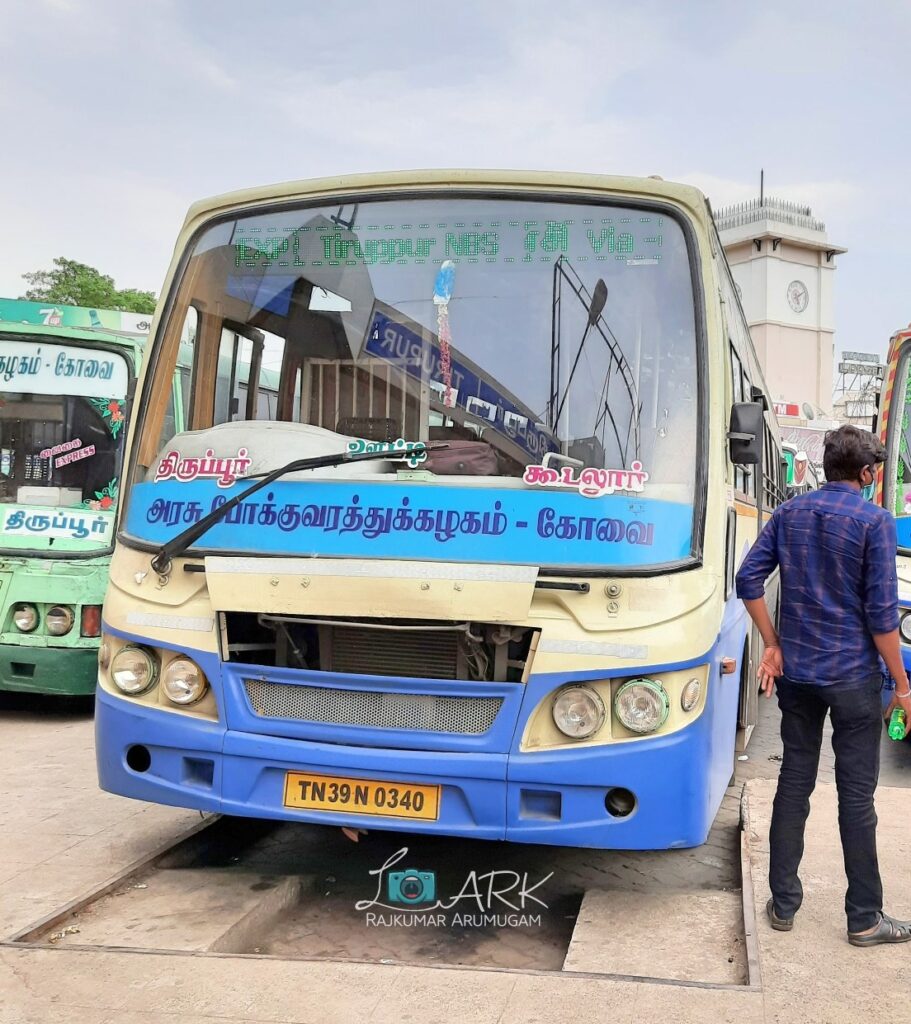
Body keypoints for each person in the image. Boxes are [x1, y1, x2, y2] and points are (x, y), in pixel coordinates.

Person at [735, 424, 911, 946]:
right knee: (856, 799)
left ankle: (784, 904)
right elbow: (882, 618)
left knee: (795, 783)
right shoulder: (875, 522)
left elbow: (748, 579)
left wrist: (773, 641)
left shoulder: (789, 513)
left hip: (799, 676)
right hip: (854, 680)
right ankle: (864, 919)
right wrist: (902, 686)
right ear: (866, 473)